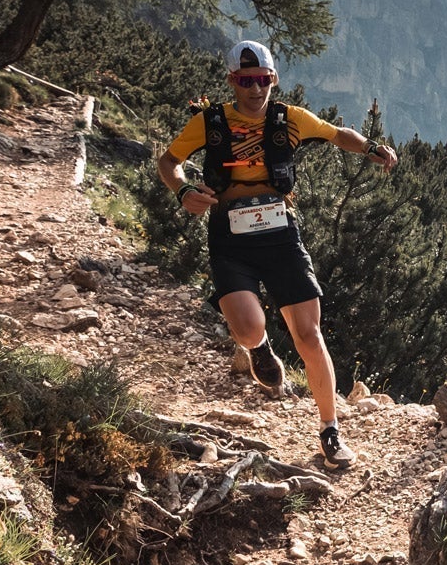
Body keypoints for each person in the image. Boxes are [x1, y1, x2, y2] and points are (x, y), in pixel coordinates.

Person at [156, 40, 396, 468]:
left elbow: (336, 133)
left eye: (262, 79)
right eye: (246, 80)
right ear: (233, 81)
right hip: (229, 234)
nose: (255, 88)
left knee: (309, 335)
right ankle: (260, 349)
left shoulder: (291, 119)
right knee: (247, 328)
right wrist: (184, 191)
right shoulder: (210, 123)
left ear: (273, 79)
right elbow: (168, 161)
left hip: (281, 232)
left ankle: (330, 430)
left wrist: (372, 149)